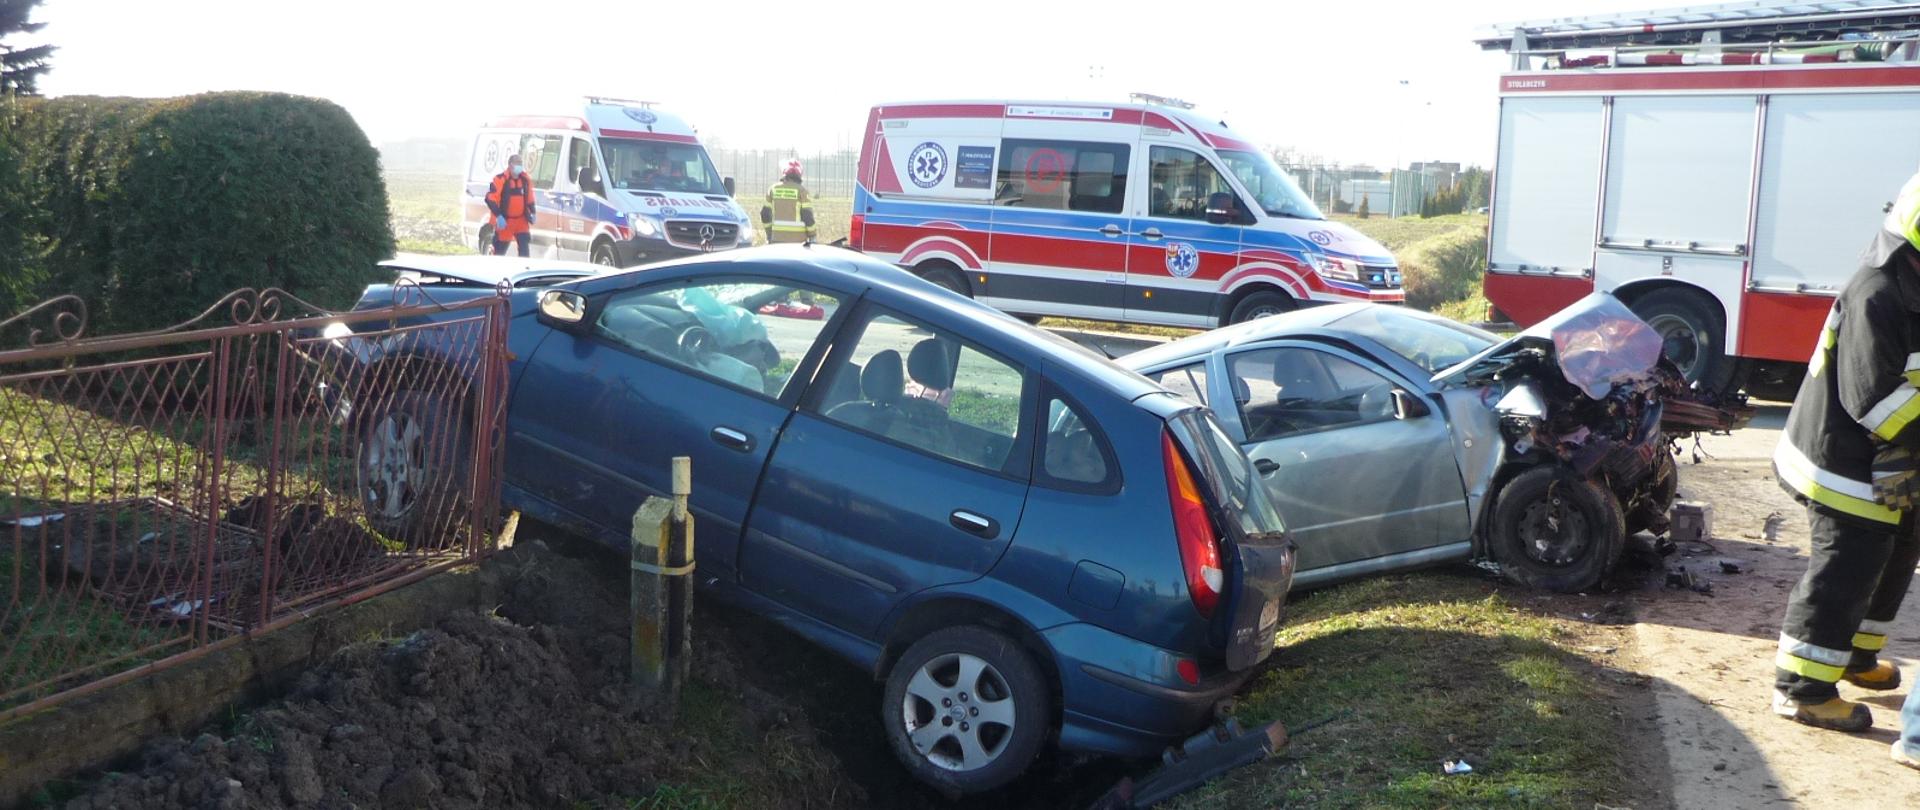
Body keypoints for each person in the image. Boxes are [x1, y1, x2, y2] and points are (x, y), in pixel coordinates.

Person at [1771, 170, 1920, 740]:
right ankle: (1802, 689)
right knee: (1847, 564)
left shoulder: (1915, 282)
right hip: (1842, 459)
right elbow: (1874, 399)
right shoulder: (1878, 293)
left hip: (1890, 457)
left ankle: (1853, 657)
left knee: (1900, 548)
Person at [486, 154, 537, 257]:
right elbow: (490, 199)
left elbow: (530, 198)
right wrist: (499, 216)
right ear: (510, 165)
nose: (520, 166)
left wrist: (533, 212)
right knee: (499, 253)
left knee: (524, 253)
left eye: (521, 163)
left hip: (521, 221)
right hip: (505, 222)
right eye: (517, 163)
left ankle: (524, 270)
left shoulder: (525, 180)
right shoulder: (500, 179)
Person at [760, 159, 816, 244]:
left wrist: (769, 234)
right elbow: (808, 215)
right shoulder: (802, 191)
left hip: (776, 239)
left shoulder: (773, 189)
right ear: (799, 175)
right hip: (798, 241)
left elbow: (765, 214)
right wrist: (812, 236)